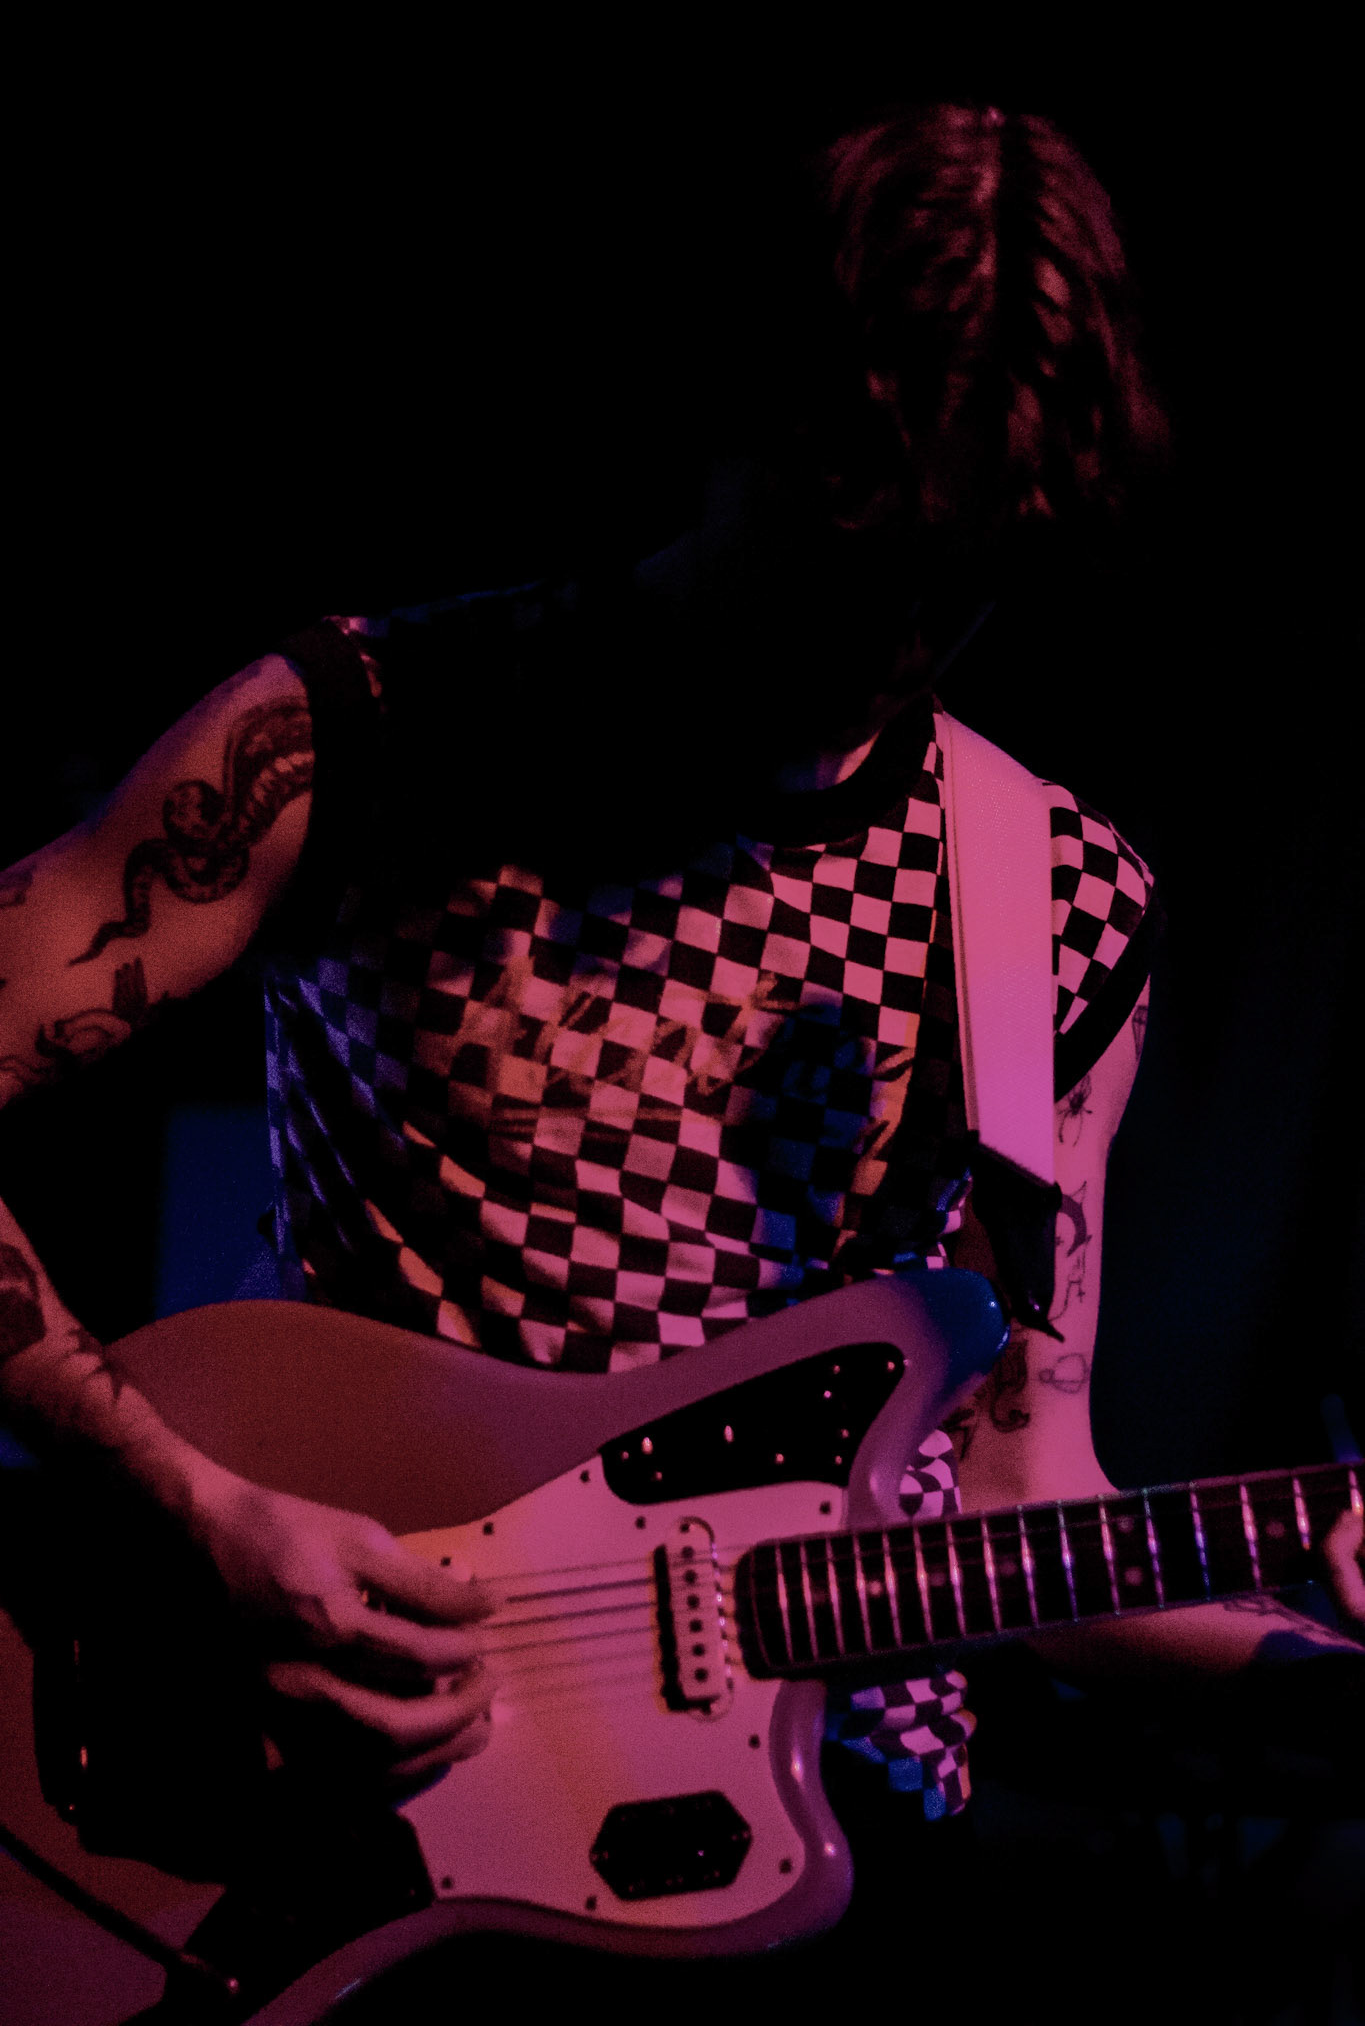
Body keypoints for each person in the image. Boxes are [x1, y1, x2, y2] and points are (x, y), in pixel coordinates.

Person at [2, 102, 1362, 2017]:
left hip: (816, 1870)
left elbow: (1016, 1493)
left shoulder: (1054, 902)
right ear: (726, 422)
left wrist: (1317, 1639)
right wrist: (189, 1506)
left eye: (956, 581)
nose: (887, 640)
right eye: (846, 544)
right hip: (347, 1825)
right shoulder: (370, 733)